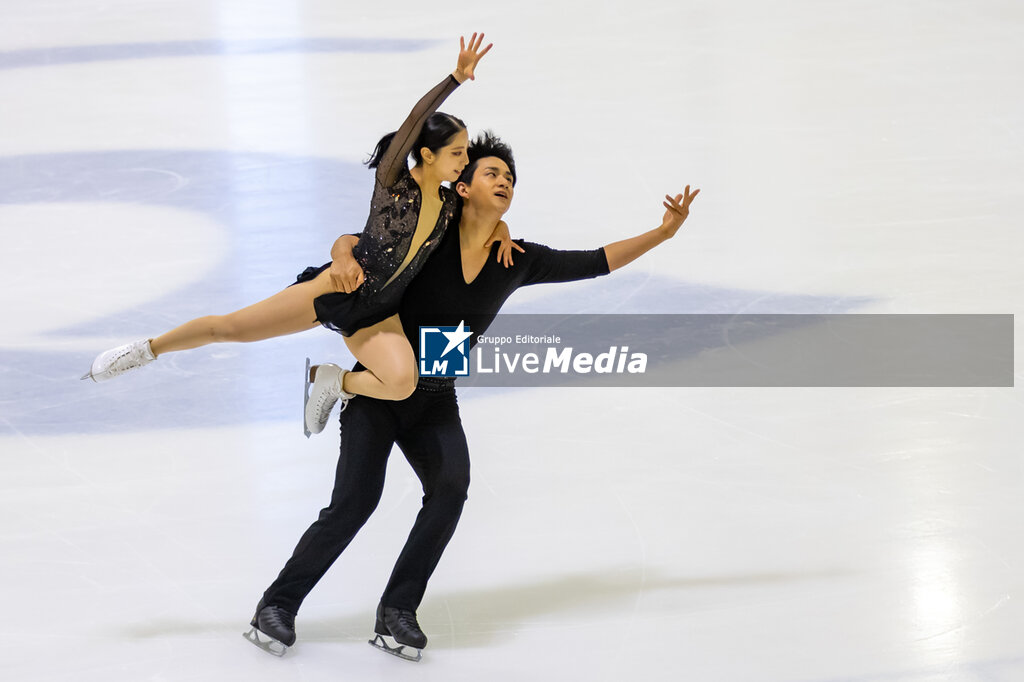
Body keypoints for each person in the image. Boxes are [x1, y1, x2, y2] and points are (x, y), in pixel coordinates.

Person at [245, 131, 699, 660]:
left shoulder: (517, 258)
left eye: (509, 178)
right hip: (379, 392)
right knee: (354, 504)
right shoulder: (430, 237)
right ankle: (277, 605)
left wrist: (663, 233)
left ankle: (398, 612)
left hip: (437, 399)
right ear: (460, 188)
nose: (504, 181)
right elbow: (360, 241)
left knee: (451, 488)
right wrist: (340, 249)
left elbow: (594, 261)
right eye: (491, 173)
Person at [82, 35, 515, 433]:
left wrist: (503, 231)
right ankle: (147, 350)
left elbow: (488, 216)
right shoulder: (393, 184)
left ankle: (335, 381)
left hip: (380, 312)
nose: (463, 161)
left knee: (402, 382)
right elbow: (412, 122)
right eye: (457, 152)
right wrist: (455, 78)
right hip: (334, 289)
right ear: (426, 153)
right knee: (230, 329)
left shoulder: (448, 206)